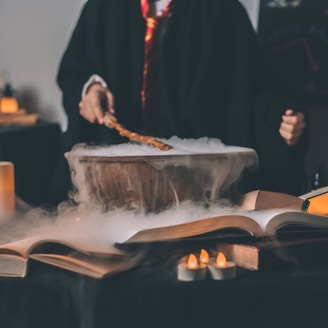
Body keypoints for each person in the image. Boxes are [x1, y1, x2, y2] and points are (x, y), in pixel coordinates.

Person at [48, 0, 307, 205]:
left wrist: (279, 118)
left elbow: (250, 88)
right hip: (114, 183)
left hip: (196, 183)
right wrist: (89, 88)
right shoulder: (102, 9)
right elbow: (74, 71)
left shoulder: (224, 12)